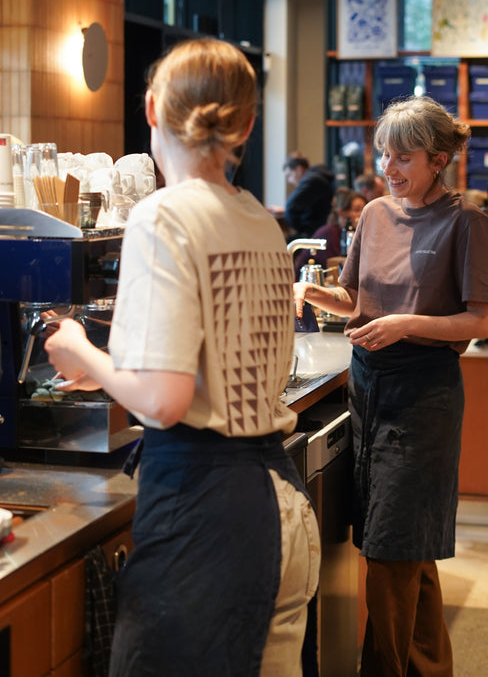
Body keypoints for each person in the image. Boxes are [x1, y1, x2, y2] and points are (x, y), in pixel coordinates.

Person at [44, 38, 320, 677]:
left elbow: (165, 400)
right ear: (248, 125)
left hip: (209, 520)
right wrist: (110, 369)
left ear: (150, 109)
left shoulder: (161, 216)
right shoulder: (258, 219)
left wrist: (79, 345)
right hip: (281, 506)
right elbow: (211, 360)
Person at [293, 96, 488, 677]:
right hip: (367, 387)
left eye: (403, 157)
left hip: (423, 395)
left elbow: (480, 321)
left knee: (389, 552)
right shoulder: (378, 215)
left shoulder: (468, 222)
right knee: (409, 550)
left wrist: (407, 323)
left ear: (438, 159)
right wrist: (310, 293)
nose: (389, 168)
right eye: (386, 155)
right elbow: (356, 301)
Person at [293, 188, 366, 280]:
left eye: (364, 210)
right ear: (342, 213)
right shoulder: (329, 233)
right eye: (357, 210)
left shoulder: (355, 234)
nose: (362, 214)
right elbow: (339, 267)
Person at [269, 152, 335, 239]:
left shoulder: (311, 181)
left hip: (313, 235)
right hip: (319, 231)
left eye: (289, 175)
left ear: (299, 170)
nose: (289, 181)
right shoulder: (318, 177)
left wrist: (301, 229)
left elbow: (290, 207)